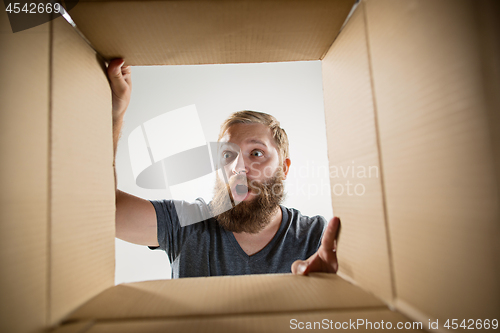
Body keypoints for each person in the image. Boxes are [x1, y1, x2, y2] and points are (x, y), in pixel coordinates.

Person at [109, 58, 341, 278]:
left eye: (256, 153)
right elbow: (102, 211)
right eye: (228, 155)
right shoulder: (186, 224)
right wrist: (114, 115)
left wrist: (337, 284)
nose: (238, 168)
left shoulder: (318, 238)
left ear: (284, 168)